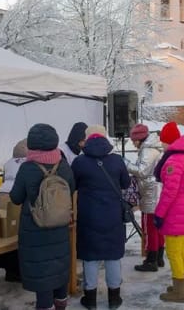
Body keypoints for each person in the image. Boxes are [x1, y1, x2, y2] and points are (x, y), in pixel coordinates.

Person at [9, 123, 75, 310]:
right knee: (58, 267)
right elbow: (72, 188)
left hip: (35, 228)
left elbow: (15, 198)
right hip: (60, 225)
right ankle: (61, 304)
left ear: (32, 143)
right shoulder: (63, 165)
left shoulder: (27, 168)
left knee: (42, 272)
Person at [71, 124, 130, 310]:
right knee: (113, 256)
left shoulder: (79, 162)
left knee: (90, 257)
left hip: (89, 216)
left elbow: (72, 185)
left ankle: (90, 300)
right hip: (113, 215)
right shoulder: (117, 160)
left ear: (87, 139)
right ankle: (114, 298)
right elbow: (126, 183)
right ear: (105, 138)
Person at [153, 121, 184, 303]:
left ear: (169, 141)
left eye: (163, 141)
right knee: (181, 250)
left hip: (176, 210)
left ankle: (178, 292)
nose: (161, 144)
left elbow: (169, 192)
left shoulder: (173, 161)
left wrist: (159, 214)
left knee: (173, 252)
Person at [0, 138, 27, 282]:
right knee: (16, 235)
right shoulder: (28, 164)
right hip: (16, 199)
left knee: (5, 233)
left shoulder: (9, 163)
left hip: (2, 197)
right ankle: (17, 272)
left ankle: (9, 270)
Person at [125, 123, 164, 272]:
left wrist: (126, 163)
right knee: (156, 226)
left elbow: (141, 171)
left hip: (150, 193)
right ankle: (159, 257)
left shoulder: (148, 150)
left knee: (149, 227)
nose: (133, 143)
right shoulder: (152, 147)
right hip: (153, 191)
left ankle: (151, 259)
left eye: (134, 140)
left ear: (139, 139)